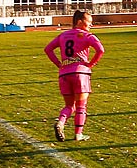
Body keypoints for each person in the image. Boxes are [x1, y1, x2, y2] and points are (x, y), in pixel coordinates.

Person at [44, 9, 104, 141]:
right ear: (79, 22)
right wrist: (90, 64)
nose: (91, 25)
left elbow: (48, 49)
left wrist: (59, 64)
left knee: (69, 106)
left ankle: (60, 123)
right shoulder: (88, 36)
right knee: (81, 105)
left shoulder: (63, 36)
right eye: (89, 22)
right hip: (80, 73)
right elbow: (101, 50)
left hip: (64, 74)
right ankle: (78, 134)